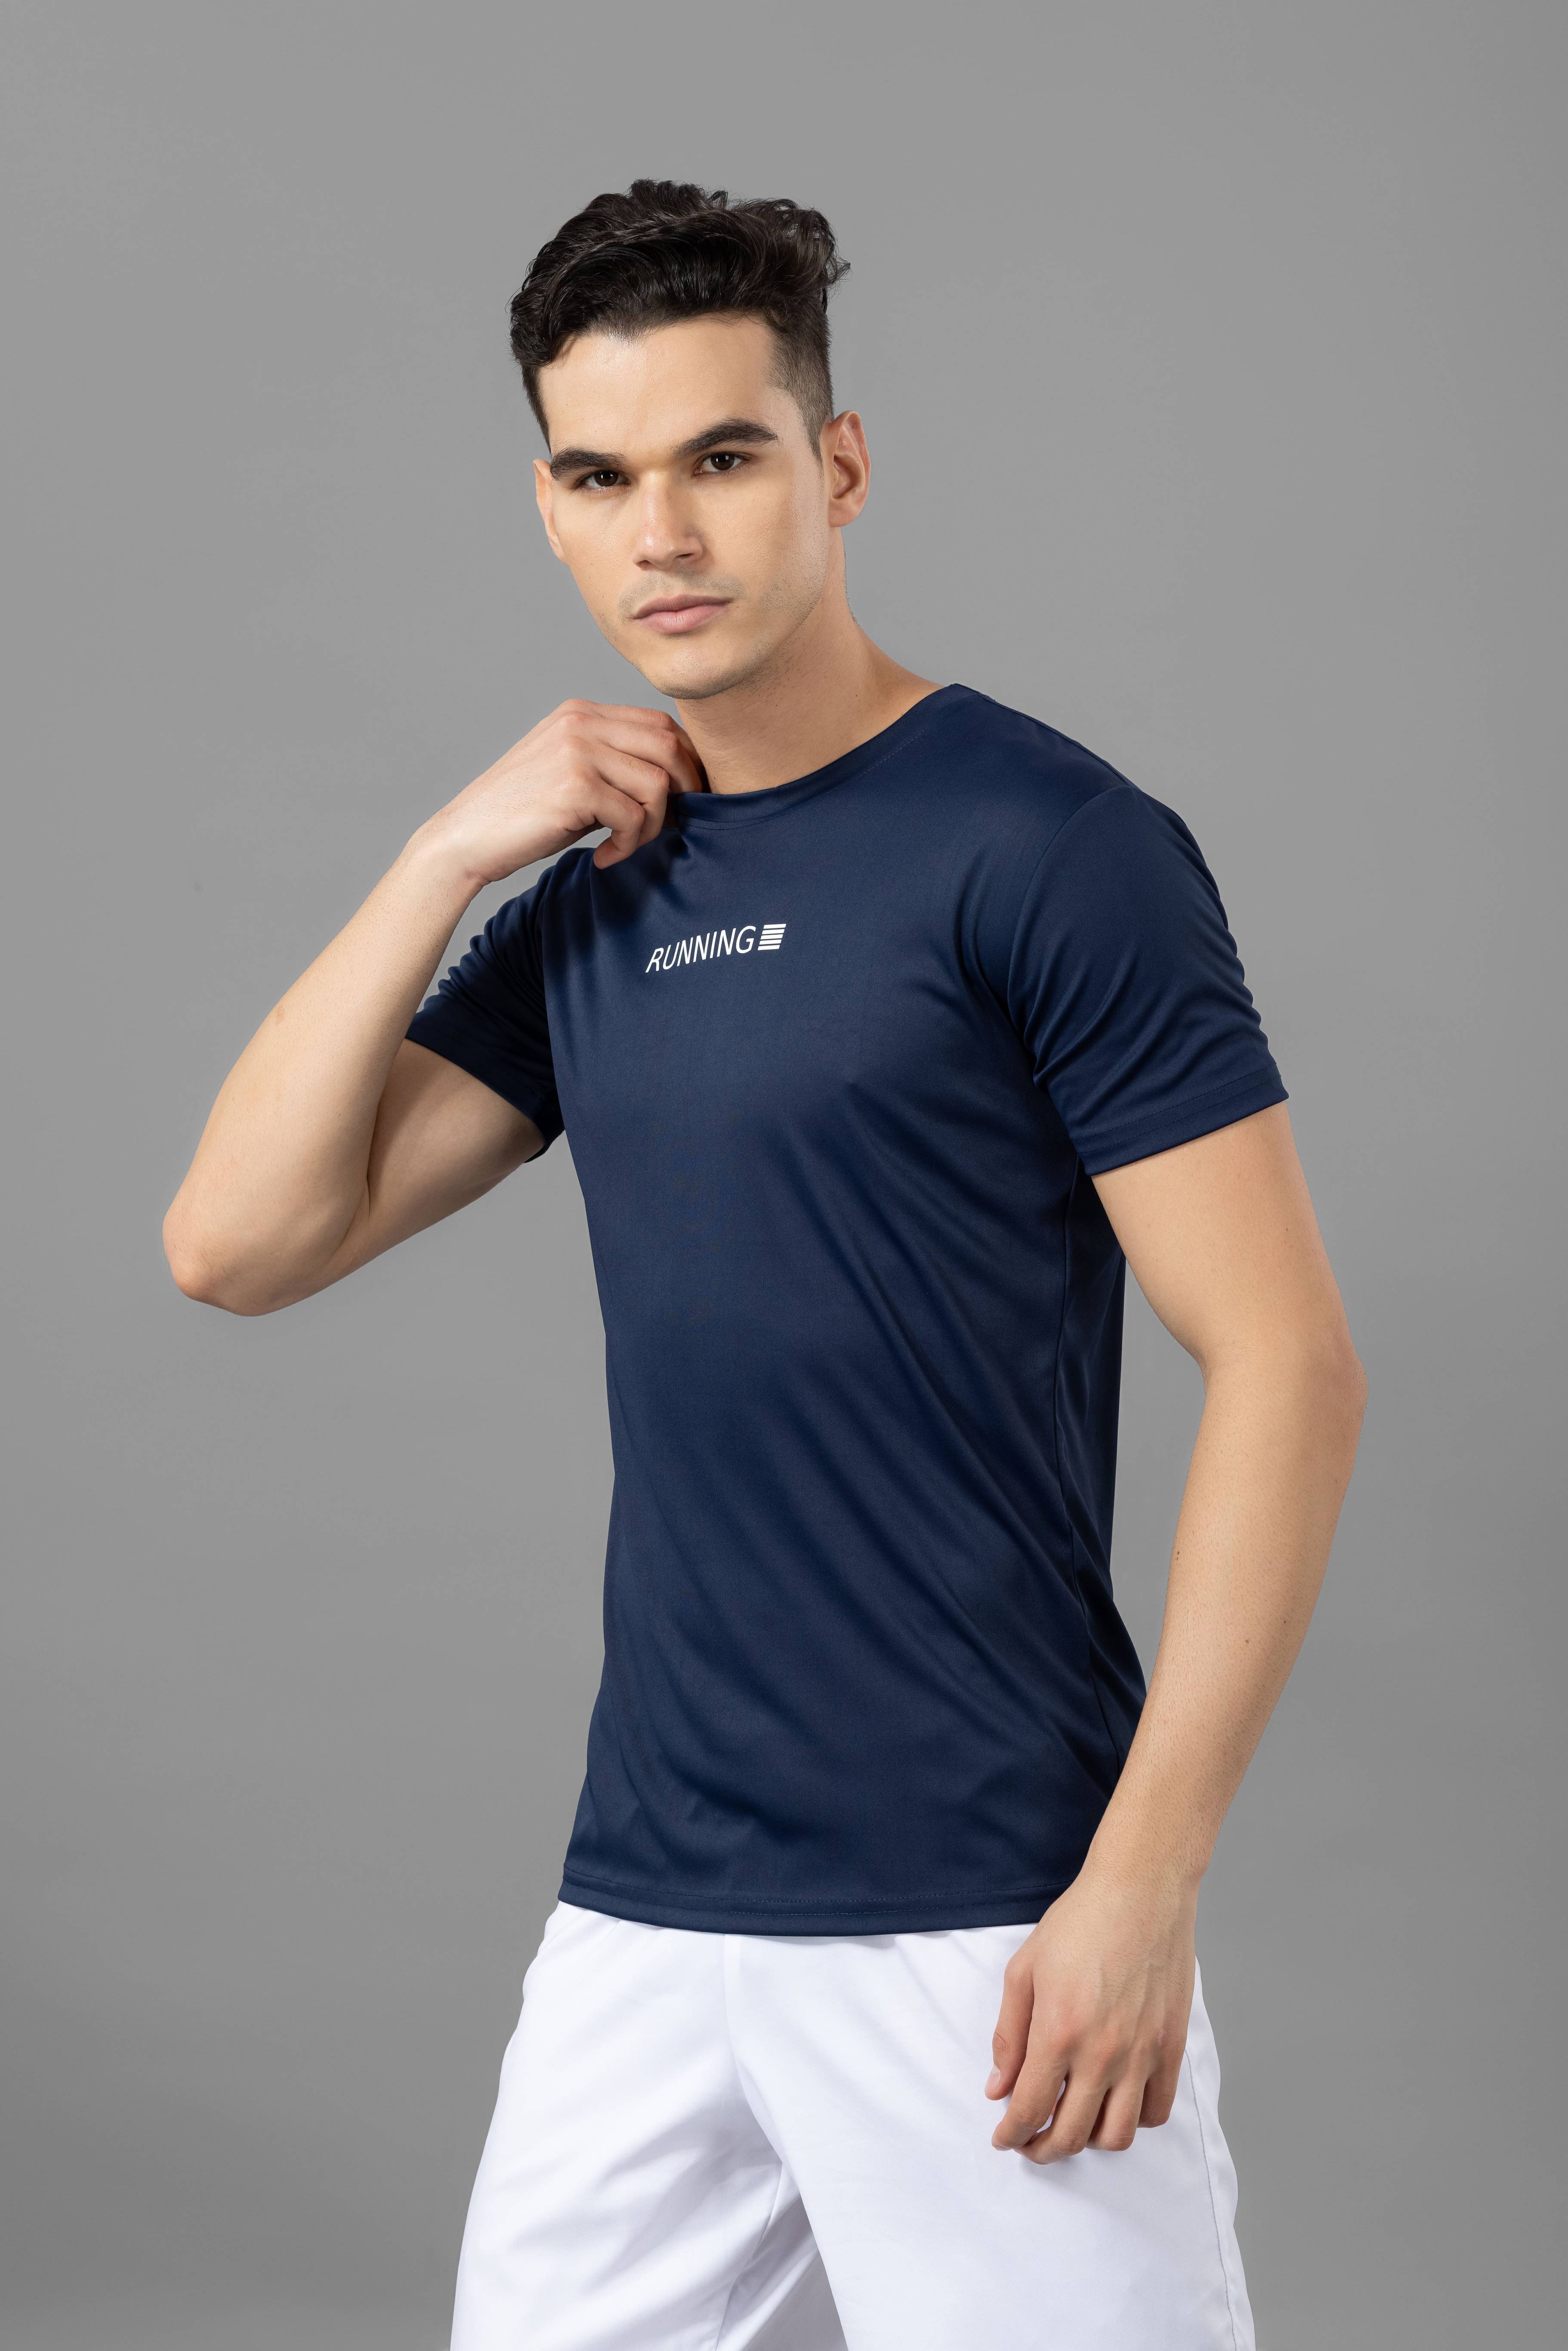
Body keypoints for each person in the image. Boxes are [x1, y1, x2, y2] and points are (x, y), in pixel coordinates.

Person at [164, 180, 1366, 2351]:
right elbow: (234, 1242)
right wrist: (443, 852)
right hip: (647, 1908)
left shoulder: (1047, 846)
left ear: (838, 463)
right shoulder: (590, 896)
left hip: (981, 1905)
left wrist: (1143, 1873)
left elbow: (1285, 1360)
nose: (664, 534)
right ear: (546, 507)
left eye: (721, 457)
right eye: (598, 477)